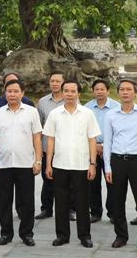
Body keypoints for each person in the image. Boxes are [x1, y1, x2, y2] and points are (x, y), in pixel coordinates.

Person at [43, 80, 100, 248]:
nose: (69, 94)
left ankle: (84, 236)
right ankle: (62, 235)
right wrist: (48, 164)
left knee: (82, 202)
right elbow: (50, 140)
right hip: (60, 164)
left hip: (81, 165)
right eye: (66, 91)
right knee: (61, 202)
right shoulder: (55, 114)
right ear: (62, 93)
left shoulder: (87, 114)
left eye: (73, 91)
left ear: (78, 94)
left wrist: (92, 164)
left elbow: (92, 140)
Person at [103, 79, 137, 249]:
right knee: (117, 200)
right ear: (118, 92)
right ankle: (121, 236)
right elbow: (108, 142)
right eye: (122, 89)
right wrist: (107, 167)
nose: (125, 92)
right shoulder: (111, 114)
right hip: (117, 160)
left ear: (135, 93)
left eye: (129, 89)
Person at [0, 80, 42, 245]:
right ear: (5, 93)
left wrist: (38, 160)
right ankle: (6, 233)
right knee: (4, 201)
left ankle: (27, 233)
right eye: (9, 91)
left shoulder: (31, 112)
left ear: (22, 93)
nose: (12, 94)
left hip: (25, 163)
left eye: (15, 91)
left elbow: (37, 138)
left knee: (27, 201)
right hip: (4, 164)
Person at [84, 79, 119, 223]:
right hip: (91, 149)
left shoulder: (116, 107)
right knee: (92, 182)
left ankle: (113, 212)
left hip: (111, 149)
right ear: (93, 91)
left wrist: (104, 146)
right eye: (96, 89)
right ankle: (95, 212)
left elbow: (119, 129)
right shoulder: (87, 108)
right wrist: (95, 146)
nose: (99, 92)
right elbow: (84, 130)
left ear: (108, 91)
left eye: (102, 89)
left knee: (112, 182)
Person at [35, 72, 65, 219]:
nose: (54, 84)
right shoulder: (42, 102)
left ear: (63, 83)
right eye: (52, 81)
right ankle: (46, 208)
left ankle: (69, 209)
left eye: (58, 81)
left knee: (67, 181)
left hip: (65, 148)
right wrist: (38, 149)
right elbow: (38, 127)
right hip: (48, 148)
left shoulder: (71, 98)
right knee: (48, 180)